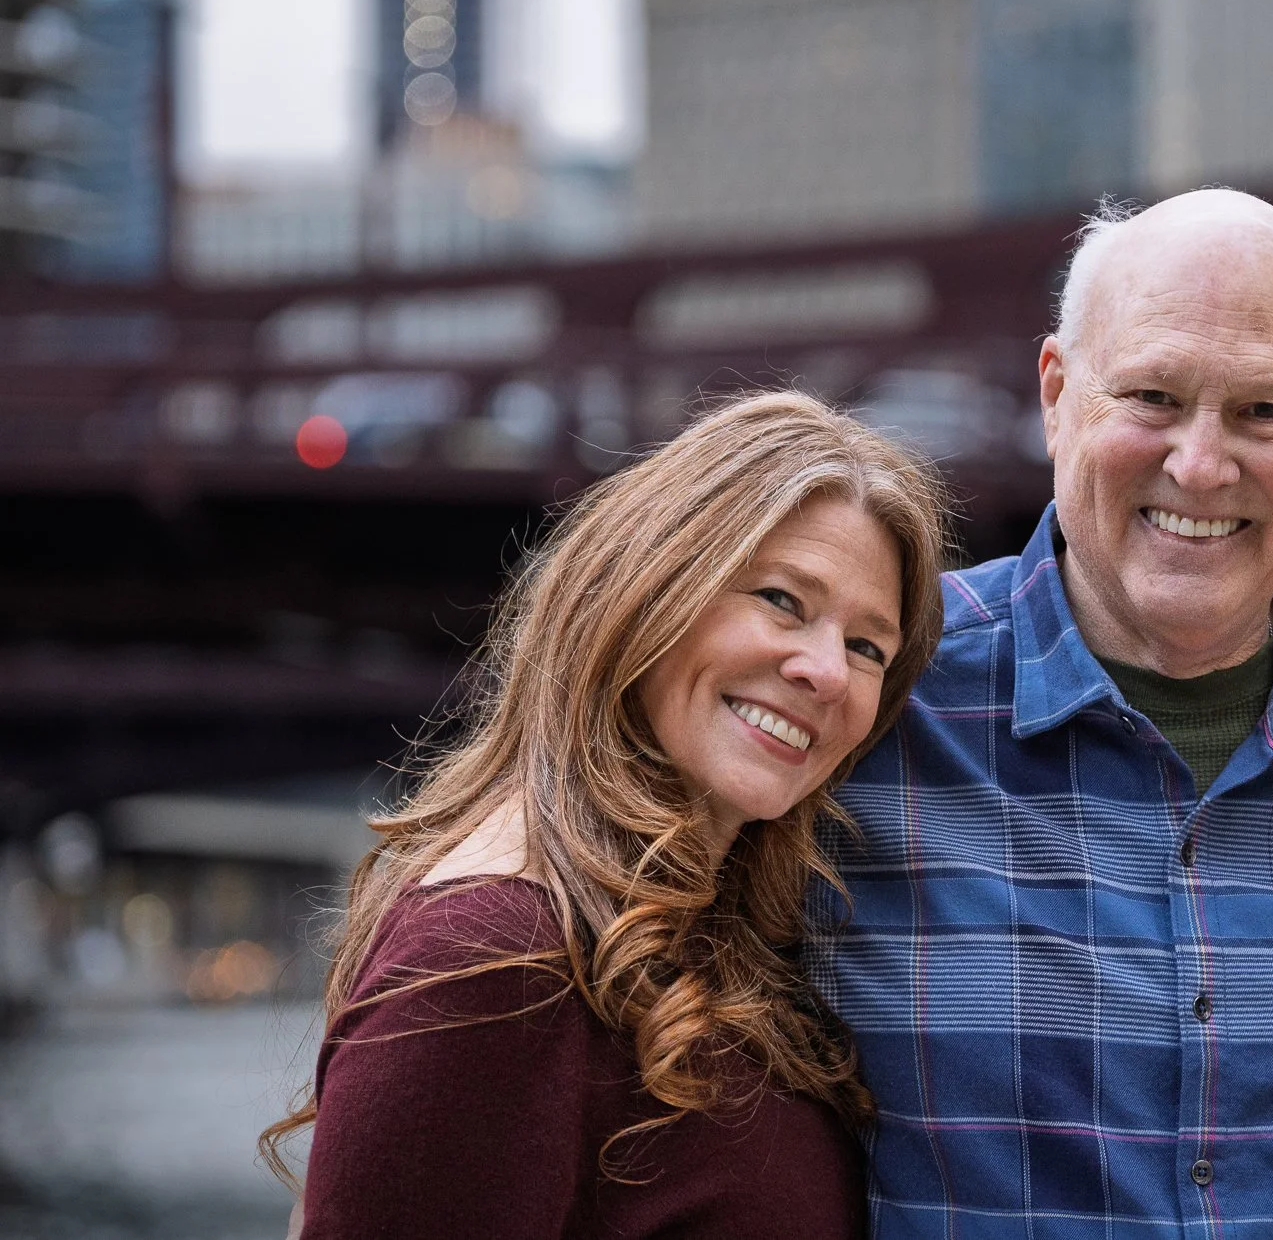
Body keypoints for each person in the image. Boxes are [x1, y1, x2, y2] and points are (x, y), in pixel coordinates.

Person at [804, 189, 1273, 1237]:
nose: (1199, 464)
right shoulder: (864, 704)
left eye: (1265, 412)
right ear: (1055, 395)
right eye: (1149, 396)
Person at [263, 392, 950, 1240]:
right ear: (648, 588)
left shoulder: (710, 935)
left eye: (867, 646)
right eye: (781, 598)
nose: (827, 671)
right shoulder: (494, 959)